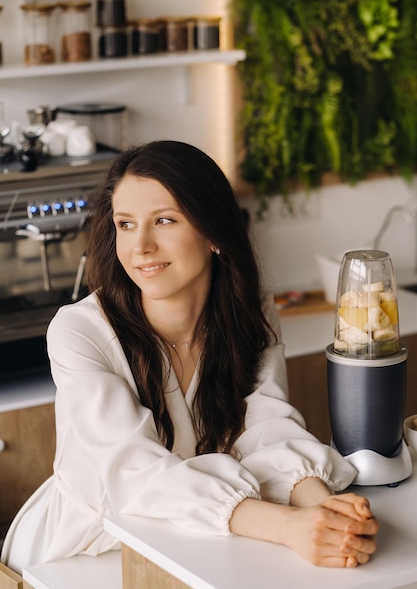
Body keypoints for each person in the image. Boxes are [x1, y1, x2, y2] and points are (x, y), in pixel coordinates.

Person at [1, 141, 378, 574]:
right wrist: (290, 527)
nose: (139, 246)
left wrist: (327, 510)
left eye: (163, 220)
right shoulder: (79, 331)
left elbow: (268, 426)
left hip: (196, 538)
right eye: (125, 224)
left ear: (214, 232)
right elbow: (134, 475)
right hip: (85, 551)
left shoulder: (249, 308)